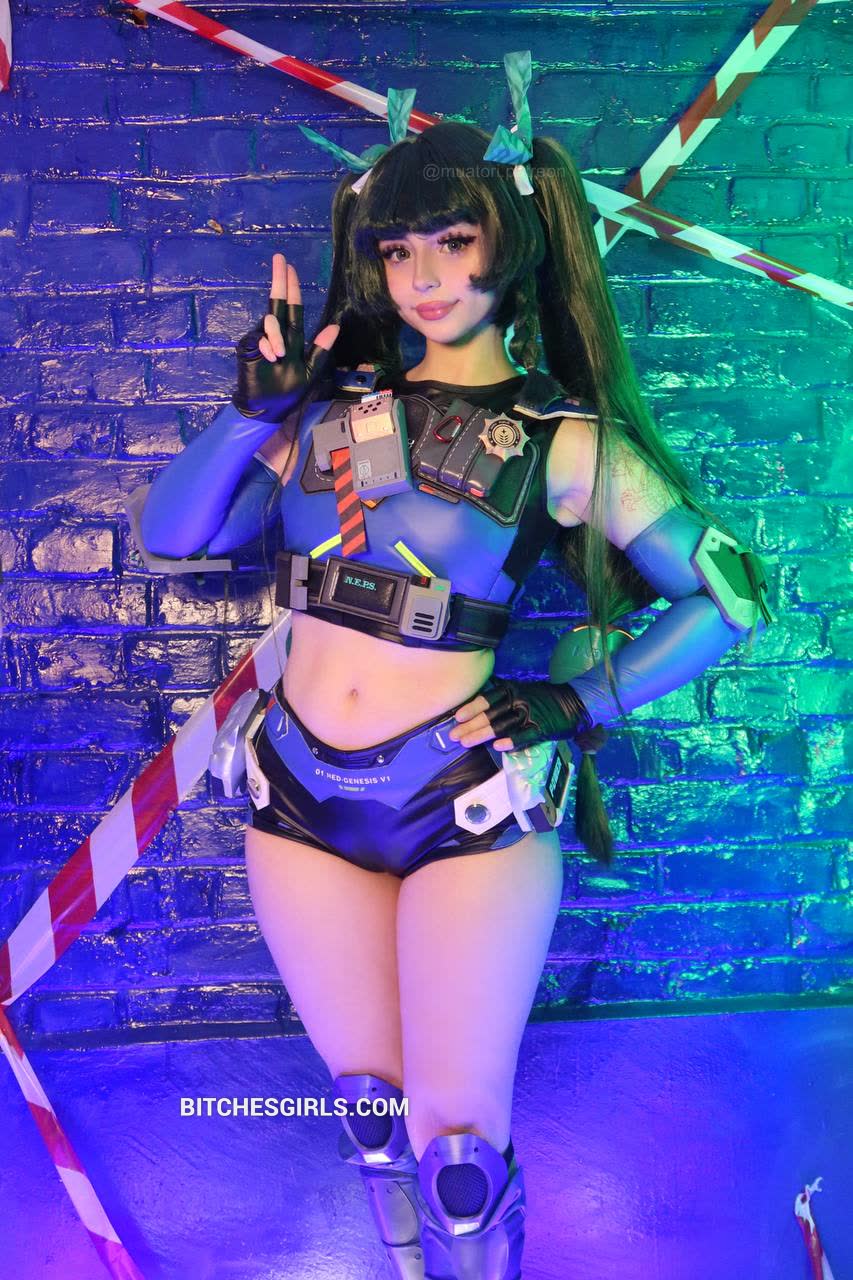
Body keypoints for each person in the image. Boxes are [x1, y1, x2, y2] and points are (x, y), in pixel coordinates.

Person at [139, 56, 771, 1280]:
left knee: (456, 1156)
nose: (423, 275)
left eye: (452, 241)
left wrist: (574, 698)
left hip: (461, 803)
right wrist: (251, 412)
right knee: (373, 1122)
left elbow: (729, 597)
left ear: (510, 247)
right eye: (398, 251)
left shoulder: (563, 441)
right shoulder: (330, 414)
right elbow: (174, 535)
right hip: (296, 794)